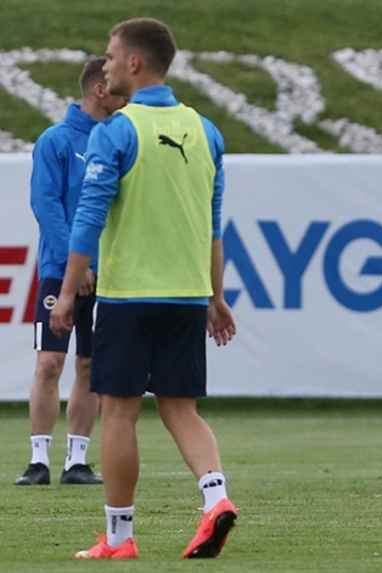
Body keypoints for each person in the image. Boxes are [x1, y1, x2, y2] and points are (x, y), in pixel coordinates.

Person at [49, 17, 239, 559]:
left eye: (109, 56)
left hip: (129, 297)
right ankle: (215, 498)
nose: (104, 65)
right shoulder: (207, 130)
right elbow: (213, 224)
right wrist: (215, 296)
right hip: (185, 295)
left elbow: (87, 219)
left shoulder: (115, 130)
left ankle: (119, 538)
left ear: (134, 62)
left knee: (121, 411)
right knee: (182, 409)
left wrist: (66, 293)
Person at [16, 58, 125, 487]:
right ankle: (38, 459)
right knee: (49, 362)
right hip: (60, 273)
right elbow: (47, 206)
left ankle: (76, 461)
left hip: (110, 274)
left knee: (90, 366)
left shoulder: (118, 140)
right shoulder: (56, 140)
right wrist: (74, 265)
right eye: (118, 87)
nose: (125, 95)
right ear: (100, 89)